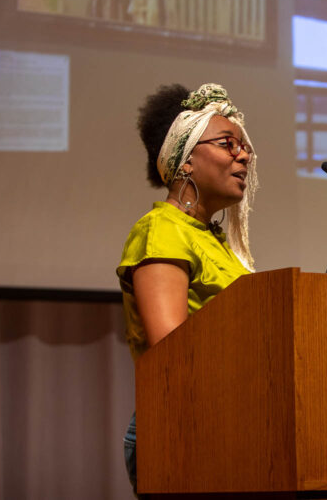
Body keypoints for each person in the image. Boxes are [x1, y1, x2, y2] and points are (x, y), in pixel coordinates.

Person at [117, 82, 258, 493]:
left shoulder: (215, 241)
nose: (243, 154)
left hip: (228, 424)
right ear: (185, 162)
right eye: (227, 144)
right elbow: (171, 352)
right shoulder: (162, 229)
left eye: (244, 146)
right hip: (180, 427)